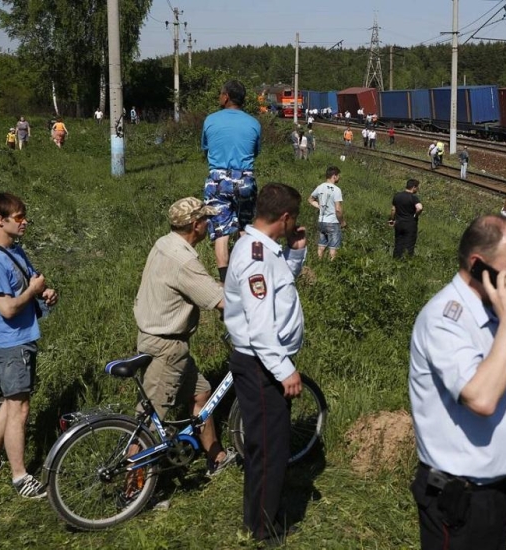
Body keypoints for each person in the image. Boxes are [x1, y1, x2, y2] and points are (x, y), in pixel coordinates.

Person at [408, 215, 506, 550]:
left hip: (493, 492)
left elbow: (503, 387)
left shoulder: (491, 312)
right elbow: (481, 399)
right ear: (479, 265)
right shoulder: (445, 319)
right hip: (459, 500)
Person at [224, 183, 307, 543]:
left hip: (264, 361)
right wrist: (284, 370)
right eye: (295, 220)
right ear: (285, 218)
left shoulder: (263, 250)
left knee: (270, 443)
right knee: (269, 448)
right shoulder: (255, 257)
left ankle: (260, 516)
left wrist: (297, 253)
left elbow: (279, 286)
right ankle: (263, 528)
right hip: (260, 362)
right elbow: (260, 328)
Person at [133, 197, 233, 476]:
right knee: (149, 420)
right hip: (168, 347)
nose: (210, 224)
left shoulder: (165, 243)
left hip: (155, 337)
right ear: (196, 225)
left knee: (200, 393)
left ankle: (216, 456)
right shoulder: (184, 259)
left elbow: (198, 285)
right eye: (206, 220)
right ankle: (132, 489)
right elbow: (218, 300)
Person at [0, 192, 59, 498]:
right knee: (19, 408)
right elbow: (7, 309)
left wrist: (45, 293)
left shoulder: (15, 251)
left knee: (11, 402)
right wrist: (32, 291)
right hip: (10, 343)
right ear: (0, 221)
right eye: (19, 217)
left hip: (20, 339)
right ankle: (20, 476)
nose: (25, 222)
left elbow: (31, 285)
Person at [201, 80, 261, 283]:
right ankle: (251, 276)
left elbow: (206, 147)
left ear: (226, 97)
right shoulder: (254, 123)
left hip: (218, 180)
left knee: (221, 234)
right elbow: (255, 152)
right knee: (245, 228)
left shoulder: (210, 120)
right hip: (245, 178)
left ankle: (226, 285)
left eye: (220, 94)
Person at [309, 166, 345, 260]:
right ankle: (331, 268)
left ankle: (319, 263)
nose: (339, 178)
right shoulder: (336, 190)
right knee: (333, 249)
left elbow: (310, 199)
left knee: (321, 246)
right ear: (334, 176)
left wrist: (319, 206)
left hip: (321, 221)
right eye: (338, 176)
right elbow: (338, 209)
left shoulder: (320, 187)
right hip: (332, 222)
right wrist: (342, 222)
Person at [389, 179, 423, 259]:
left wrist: (392, 220)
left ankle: (395, 260)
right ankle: (406, 262)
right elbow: (420, 208)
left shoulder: (397, 195)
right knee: (409, 245)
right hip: (410, 224)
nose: (417, 189)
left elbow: (393, 210)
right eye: (417, 187)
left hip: (399, 223)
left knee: (398, 243)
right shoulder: (413, 198)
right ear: (414, 187)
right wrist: (415, 215)